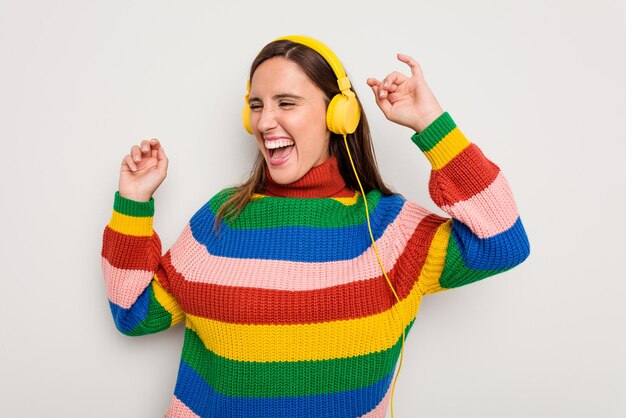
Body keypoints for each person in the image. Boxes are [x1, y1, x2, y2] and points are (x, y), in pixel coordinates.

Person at [101, 35, 530, 418]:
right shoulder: (220, 220)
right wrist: (133, 204)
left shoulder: (390, 231)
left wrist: (430, 124)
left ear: (337, 114)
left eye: (286, 103)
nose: (264, 121)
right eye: (256, 105)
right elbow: (134, 314)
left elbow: (504, 241)